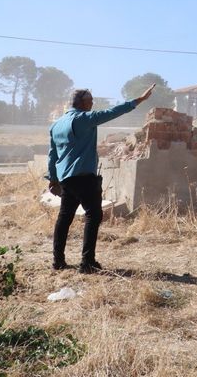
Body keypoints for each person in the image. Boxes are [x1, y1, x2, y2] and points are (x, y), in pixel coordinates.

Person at [47, 84, 155, 273]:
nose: (92, 103)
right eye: (90, 100)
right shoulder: (84, 119)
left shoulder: (56, 125)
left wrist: (53, 179)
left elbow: (52, 155)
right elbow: (112, 112)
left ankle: (58, 261)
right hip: (83, 176)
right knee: (94, 215)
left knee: (64, 218)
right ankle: (87, 262)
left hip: (66, 178)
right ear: (81, 103)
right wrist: (139, 100)